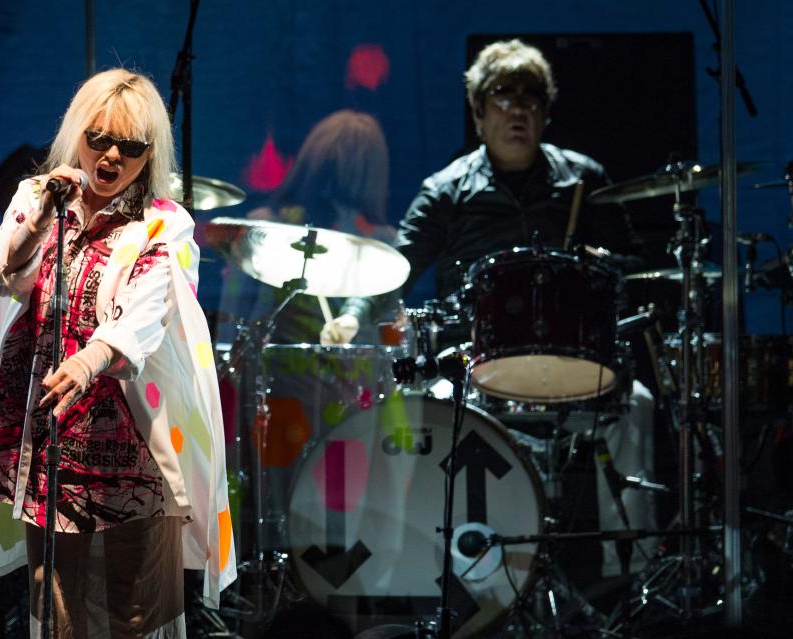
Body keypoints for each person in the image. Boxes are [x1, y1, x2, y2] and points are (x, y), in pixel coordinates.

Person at [321, 39, 656, 577]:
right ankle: (436, 575)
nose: (518, 108)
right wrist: (354, 313)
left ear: (546, 111)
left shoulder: (584, 180)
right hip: (478, 370)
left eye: (531, 97)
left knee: (634, 404)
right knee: (423, 406)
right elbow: (396, 269)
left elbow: (635, 267)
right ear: (478, 113)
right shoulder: (446, 190)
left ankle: (633, 579)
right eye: (502, 95)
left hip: (575, 367)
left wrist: (607, 261)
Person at [0, 68, 236, 637]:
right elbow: (3, 274)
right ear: (77, 133)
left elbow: (147, 309)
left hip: (126, 439)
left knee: (134, 609)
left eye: (130, 147)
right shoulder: (39, 197)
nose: (111, 156)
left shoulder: (165, 223)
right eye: (99, 139)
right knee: (55, 606)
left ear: (149, 153)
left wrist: (90, 361)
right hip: (48, 433)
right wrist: (40, 220)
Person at [218, 109, 396, 344]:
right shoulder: (265, 229)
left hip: (292, 370)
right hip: (315, 373)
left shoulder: (384, 243)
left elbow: (232, 312)